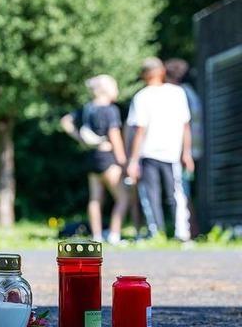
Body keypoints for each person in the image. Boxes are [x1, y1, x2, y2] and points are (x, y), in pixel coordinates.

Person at [126, 57, 194, 240]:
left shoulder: (141, 96)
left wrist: (132, 160)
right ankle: (182, 234)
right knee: (176, 194)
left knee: (151, 195)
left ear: (143, 75)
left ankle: (156, 233)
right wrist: (187, 152)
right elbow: (186, 125)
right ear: (162, 71)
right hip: (172, 153)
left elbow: (139, 130)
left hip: (148, 153)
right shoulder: (177, 93)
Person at [60, 74, 129, 244]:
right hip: (107, 157)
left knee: (95, 198)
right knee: (123, 197)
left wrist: (82, 139)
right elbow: (115, 136)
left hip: (92, 157)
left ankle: (97, 237)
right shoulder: (110, 110)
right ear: (107, 90)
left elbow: (65, 121)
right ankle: (114, 235)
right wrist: (122, 161)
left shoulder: (87, 108)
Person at [165, 58, 202, 238]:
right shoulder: (190, 92)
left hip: (182, 152)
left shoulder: (178, 94)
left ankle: (190, 231)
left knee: (182, 191)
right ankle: (193, 231)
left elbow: (183, 125)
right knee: (186, 191)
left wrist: (184, 151)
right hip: (193, 150)